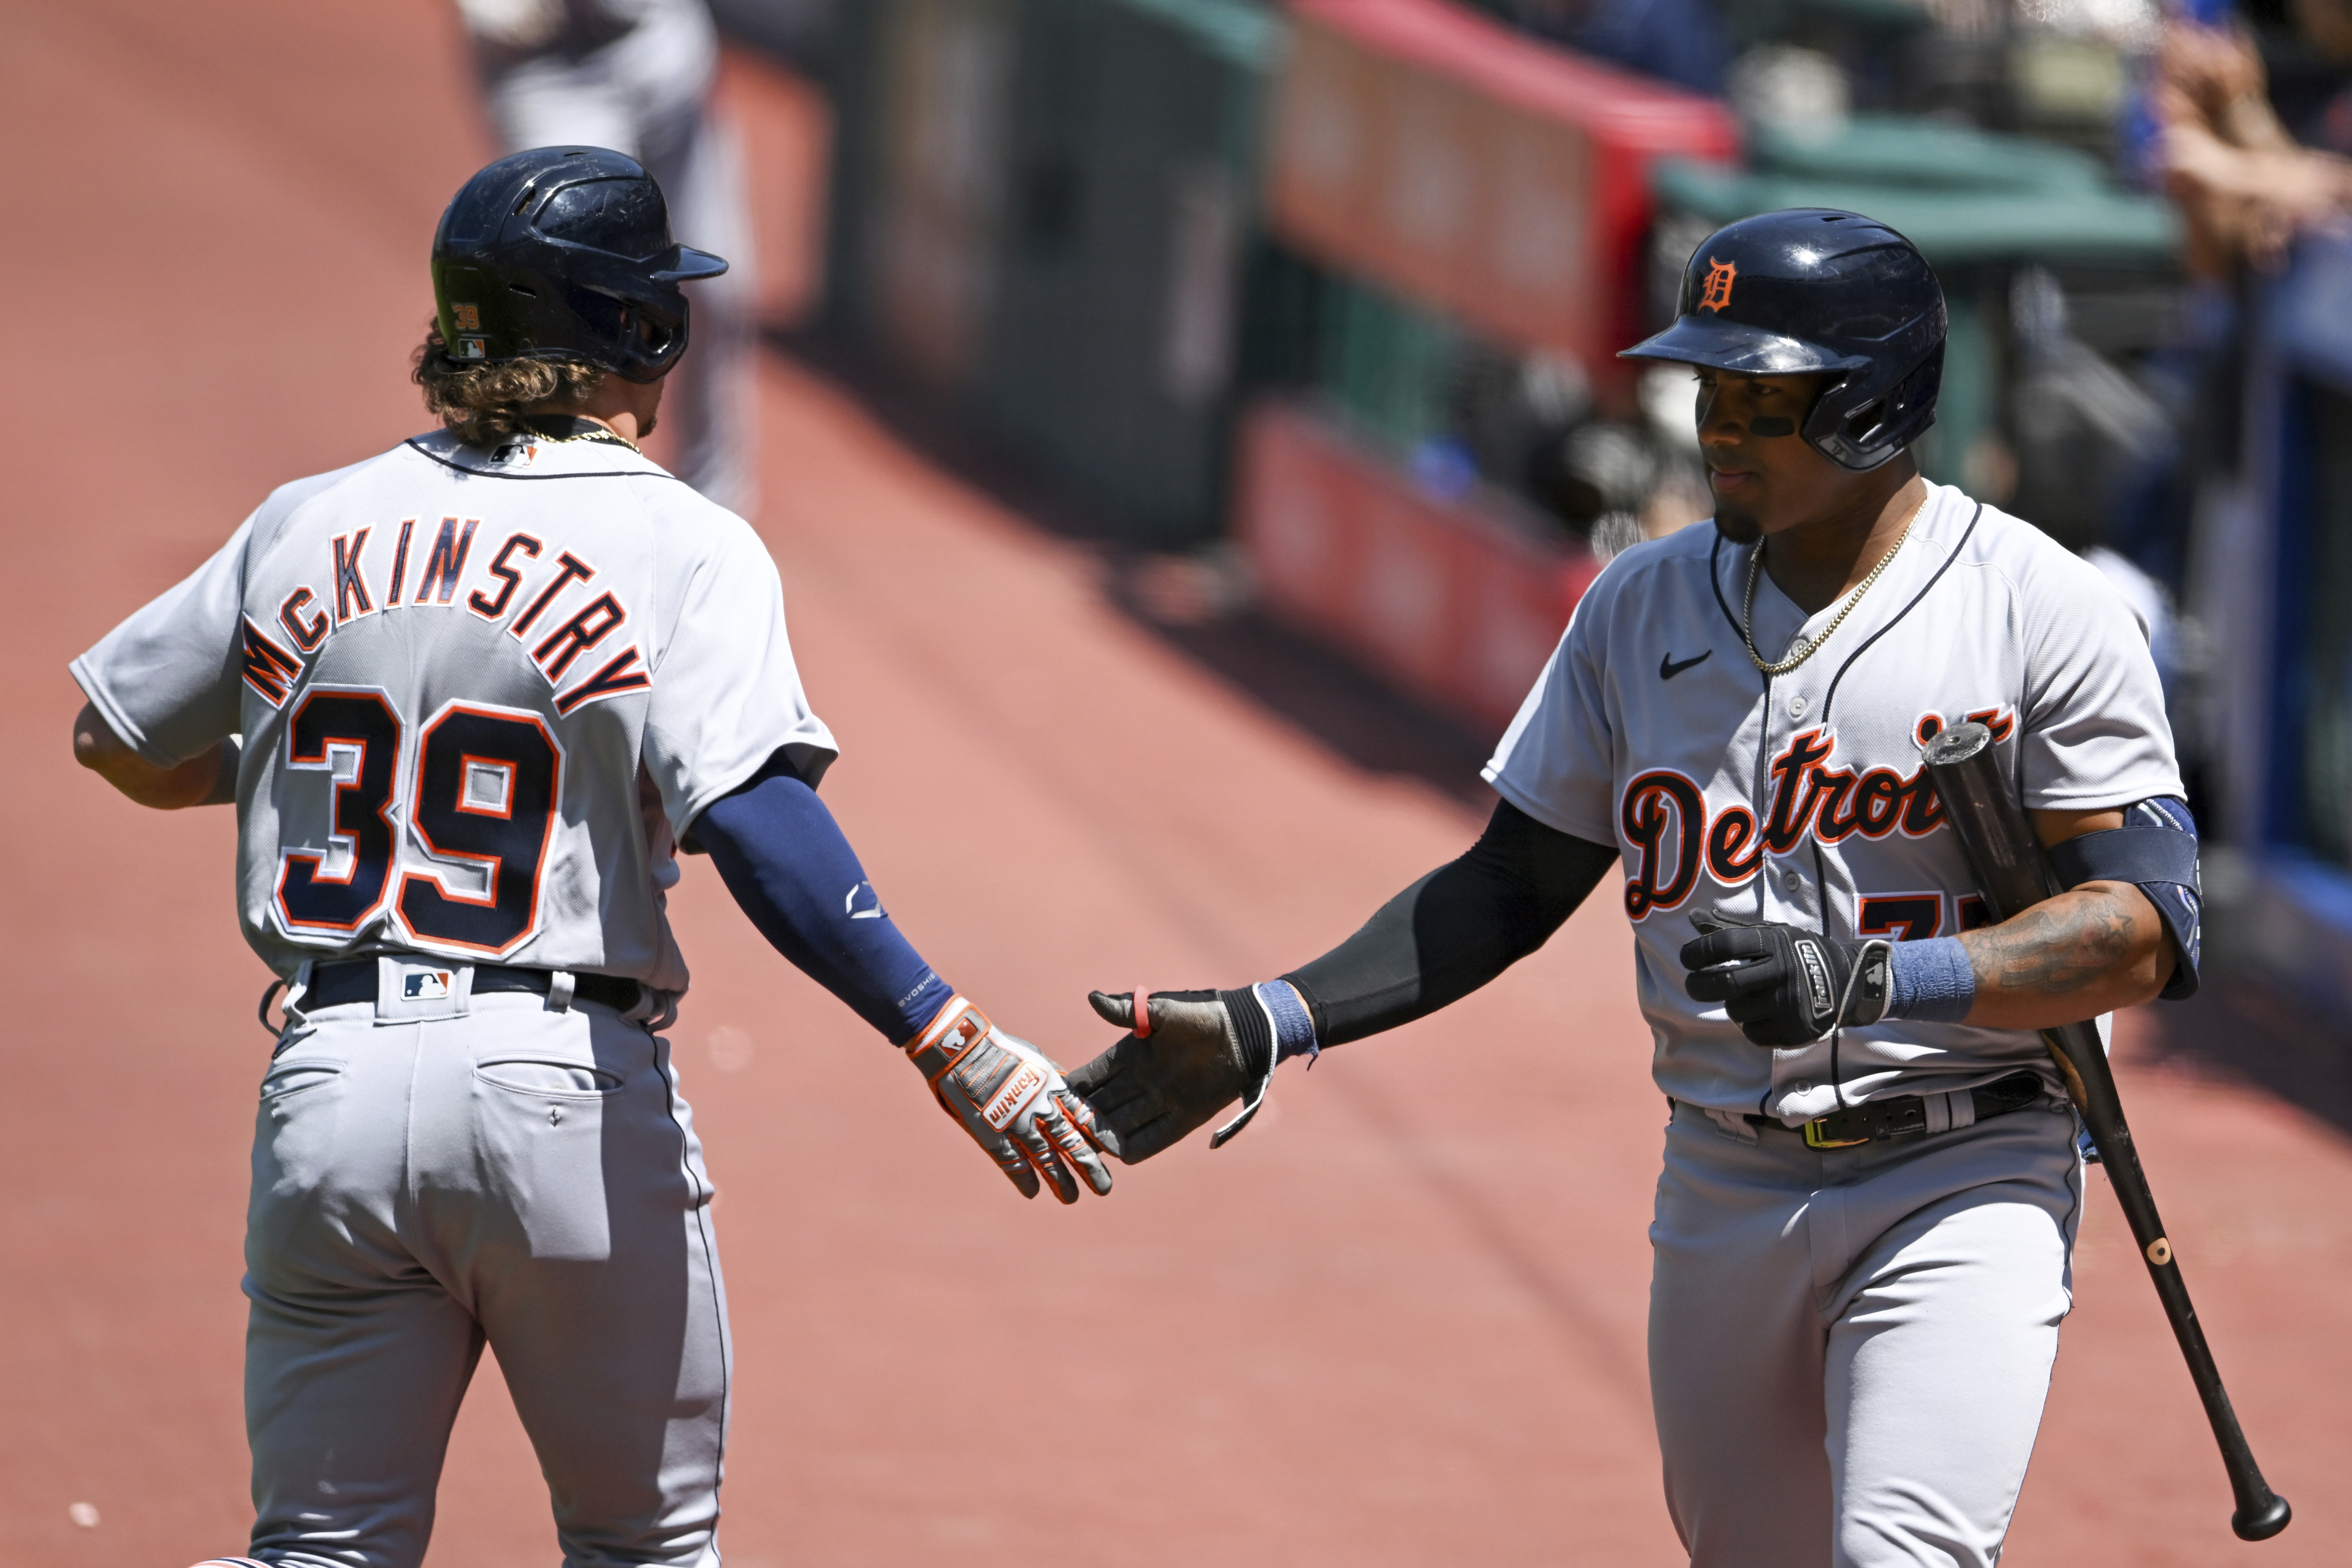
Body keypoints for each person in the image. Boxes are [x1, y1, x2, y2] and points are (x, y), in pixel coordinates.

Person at [1068, 210, 2204, 1568]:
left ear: (1867, 405)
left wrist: (1886, 979)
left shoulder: (2036, 610)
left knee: (1904, 1556)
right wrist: (1274, 1019)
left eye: (1755, 398)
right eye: (1707, 389)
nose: (1710, 425)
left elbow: (2142, 930)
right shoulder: (1640, 607)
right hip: (1722, 1174)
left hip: (1962, 1166)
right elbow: (1508, 886)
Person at [70, 145, 1108, 1568]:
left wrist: (313, 778)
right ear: (642, 331)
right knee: (642, 1550)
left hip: (330, 1087)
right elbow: (756, 817)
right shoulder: (684, 542)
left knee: (316, 1552)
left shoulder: (306, 520)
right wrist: (950, 1035)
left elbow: (114, 737)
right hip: (559, 1094)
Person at [455, 0, 759, 514]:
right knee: (574, 302)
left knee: (718, 288)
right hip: (540, 63)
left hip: (652, 36)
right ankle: (561, 504)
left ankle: (717, 512)